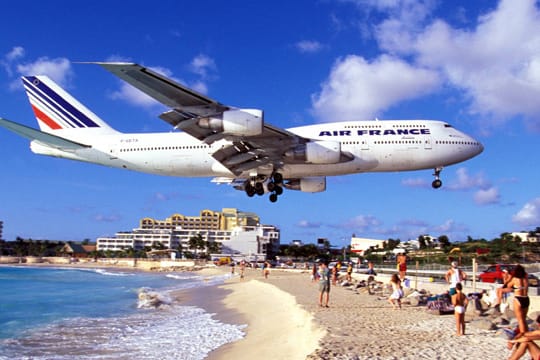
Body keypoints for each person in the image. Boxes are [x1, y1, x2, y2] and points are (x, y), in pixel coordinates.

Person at [509, 264, 529, 334]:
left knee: (520, 320)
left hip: (518, 298)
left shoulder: (515, 279)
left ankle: (523, 335)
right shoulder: (526, 278)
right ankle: (527, 334)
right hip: (526, 298)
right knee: (524, 319)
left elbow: (508, 285)